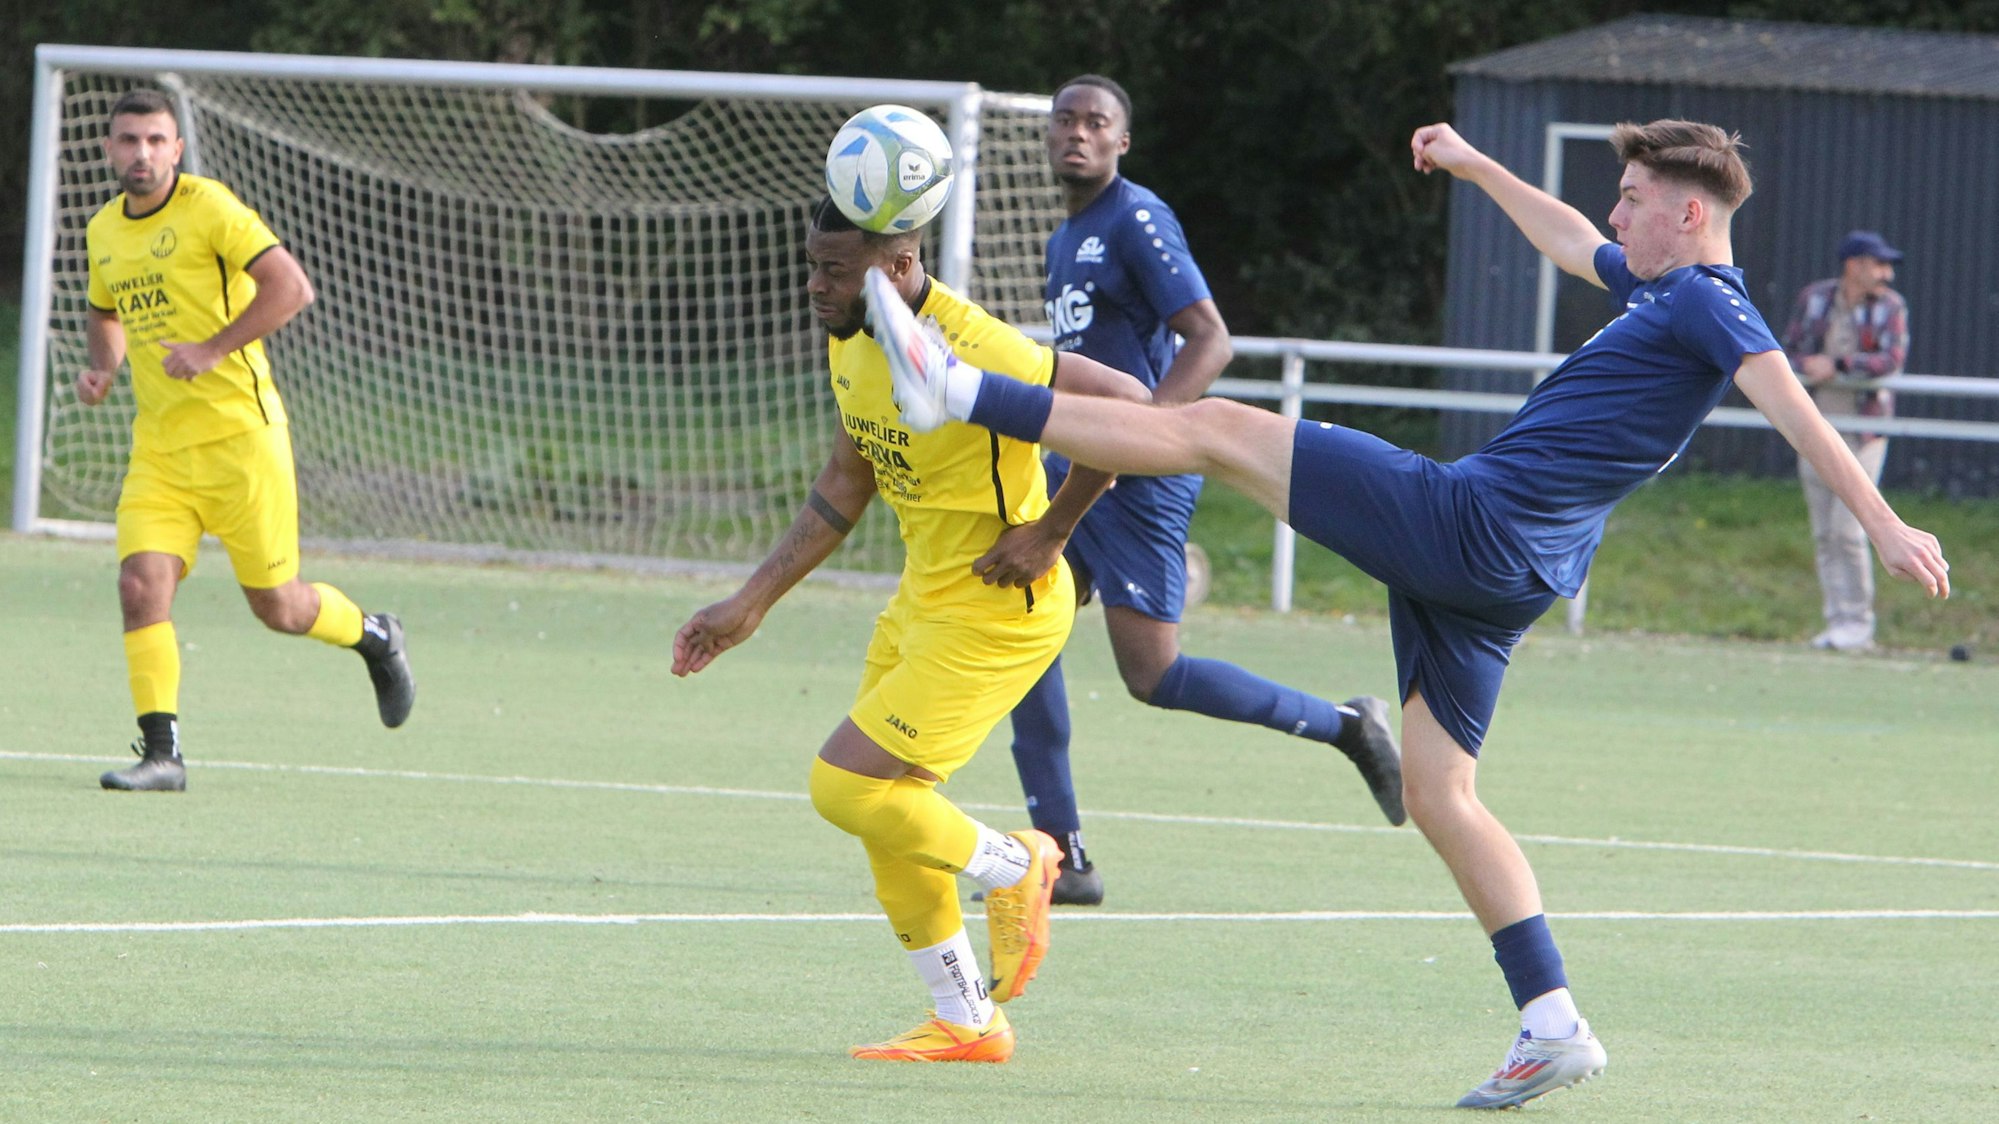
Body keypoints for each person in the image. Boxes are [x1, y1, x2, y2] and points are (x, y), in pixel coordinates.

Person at [866, 118, 1950, 1107]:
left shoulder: (1714, 301)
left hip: (1474, 524)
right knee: (1440, 792)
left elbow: (1794, 407)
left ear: (1687, 212)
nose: (1616, 215)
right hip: (1511, 576)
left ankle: (959, 392)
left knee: (1220, 427)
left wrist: (1883, 522)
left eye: (1630, 197)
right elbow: (1571, 239)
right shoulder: (1664, 289)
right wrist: (1478, 168)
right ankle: (1551, 1019)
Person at [670, 197, 1147, 1063]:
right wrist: (750, 602)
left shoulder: (975, 343)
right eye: (811, 266)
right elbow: (849, 478)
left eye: (833, 269)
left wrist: (1052, 531)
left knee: (842, 787)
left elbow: (1128, 406)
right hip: (923, 603)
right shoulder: (852, 336)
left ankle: (1018, 864)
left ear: (897, 267)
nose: (814, 285)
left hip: (999, 613)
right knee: (888, 812)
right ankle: (968, 1022)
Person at [991, 75, 1403, 908]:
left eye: (1094, 122)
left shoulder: (1133, 216)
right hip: (1085, 464)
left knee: (1153, 675)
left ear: (1120, 142)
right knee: (1012, 622)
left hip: (1133, 477)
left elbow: (1209, 339)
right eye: (1064, 120)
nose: (1076, 132)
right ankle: (1063, 855)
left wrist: (1150, 436)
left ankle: (1349, 726)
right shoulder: (1063, 236)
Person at [77, 89, 415, 793]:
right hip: (161, 452)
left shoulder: (212, 209)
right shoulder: (104, 229)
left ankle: (375, 636)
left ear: (176, 148)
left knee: (280, 607)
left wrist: (212, 347)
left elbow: (292, 288)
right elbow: (106, 313)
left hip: (241, 441)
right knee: (140, 585)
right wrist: (103, 368)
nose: (141, 153)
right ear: (108, 149)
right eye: (128, 140)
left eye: (155, 140)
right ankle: (162, 754)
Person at [1780, 230, 1910, 652]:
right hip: (1816, 425)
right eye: (1879, 264)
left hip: (1864, 428)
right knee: (1823, 530)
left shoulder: (1891, 306)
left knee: (1848, 528)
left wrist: (1837, 365)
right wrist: (1811, 366)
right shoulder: (1815, 297)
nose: (1886, 274)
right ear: (1854, 265)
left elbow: (1890, 359)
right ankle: (1836, 622)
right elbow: (1787, 350)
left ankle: (1857, 625)